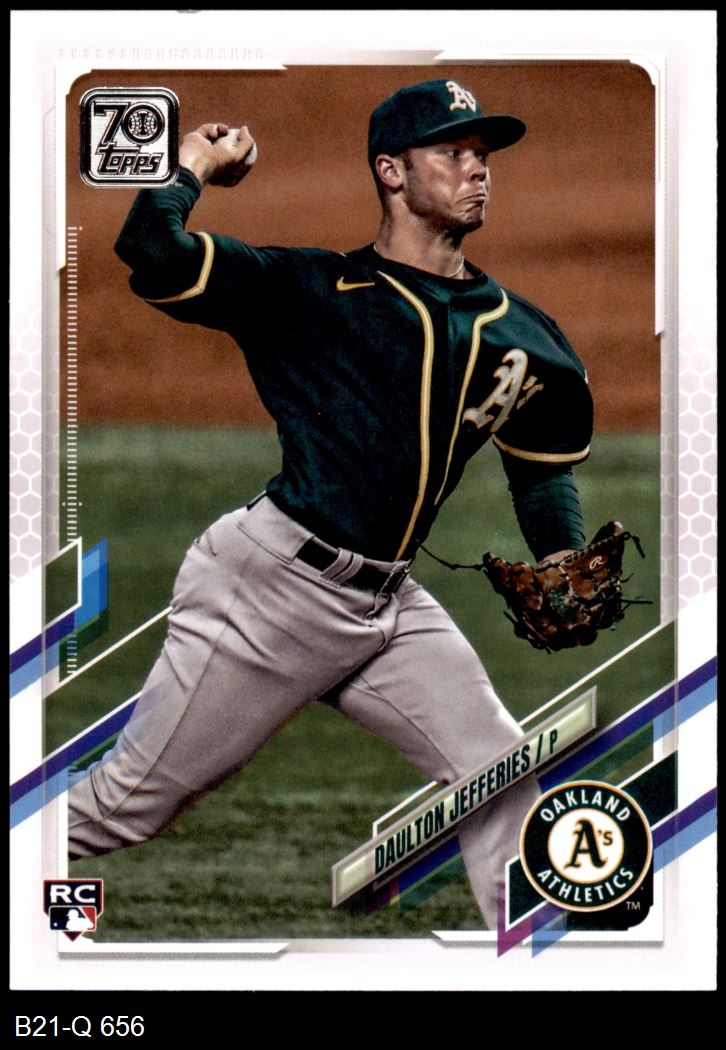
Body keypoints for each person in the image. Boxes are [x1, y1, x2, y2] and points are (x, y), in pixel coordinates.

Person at [68, 79, 593, 930]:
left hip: (389, 605)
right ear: (391, 171)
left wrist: (561, 556)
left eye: (482, 154)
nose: (477, 169)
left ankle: (542, 960)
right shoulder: (311, 290)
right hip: (268, 592)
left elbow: (540, 469)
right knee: (119, 809)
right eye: (452, 151)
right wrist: (193, 163)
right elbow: (152, 250)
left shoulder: (520, 332)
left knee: (500, 771)